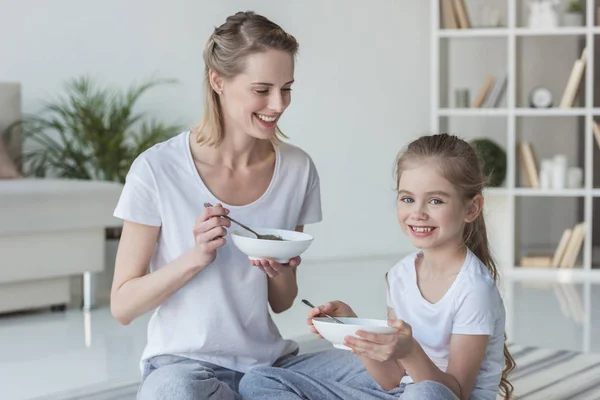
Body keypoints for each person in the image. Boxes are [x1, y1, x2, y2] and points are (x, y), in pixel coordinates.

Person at [110, 11, 322, 400]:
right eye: (262, 89)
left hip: (267, 367)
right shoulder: (157, 169)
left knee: (388, 373)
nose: (278, 104)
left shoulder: (297, 168)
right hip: (181, 367)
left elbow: (282, 301)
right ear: (217, 80)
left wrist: (279, 271)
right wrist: (196, 257)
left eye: (286, 88)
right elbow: (123, 305)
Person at [239, 133, 515, 400]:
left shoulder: (473, 289)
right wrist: (353, 329)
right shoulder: (400, 275)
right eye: (408, 198)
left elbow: (455, 393)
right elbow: (391, 380)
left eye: (435, 200)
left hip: (436, 393)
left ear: (471, 208)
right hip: (401, 390)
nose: (417, 213)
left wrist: (410, 353)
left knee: (425, 393)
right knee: (260, 380)